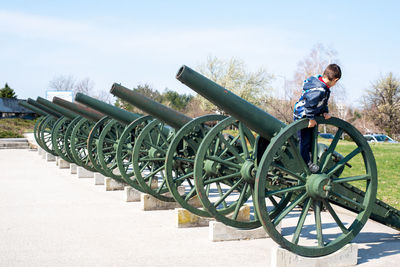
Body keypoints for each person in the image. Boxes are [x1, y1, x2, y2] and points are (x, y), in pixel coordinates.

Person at [293, 64, 341, 173]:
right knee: (304, 141)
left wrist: (325, 112)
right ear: (335, 80)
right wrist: (310, 118)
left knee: (309, 140)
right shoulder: (319, 90)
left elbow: (322, 102)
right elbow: (309, 104)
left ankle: (309, 158)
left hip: (309, 114)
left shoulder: (320, 85)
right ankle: (306, 163)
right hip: (303, 115)